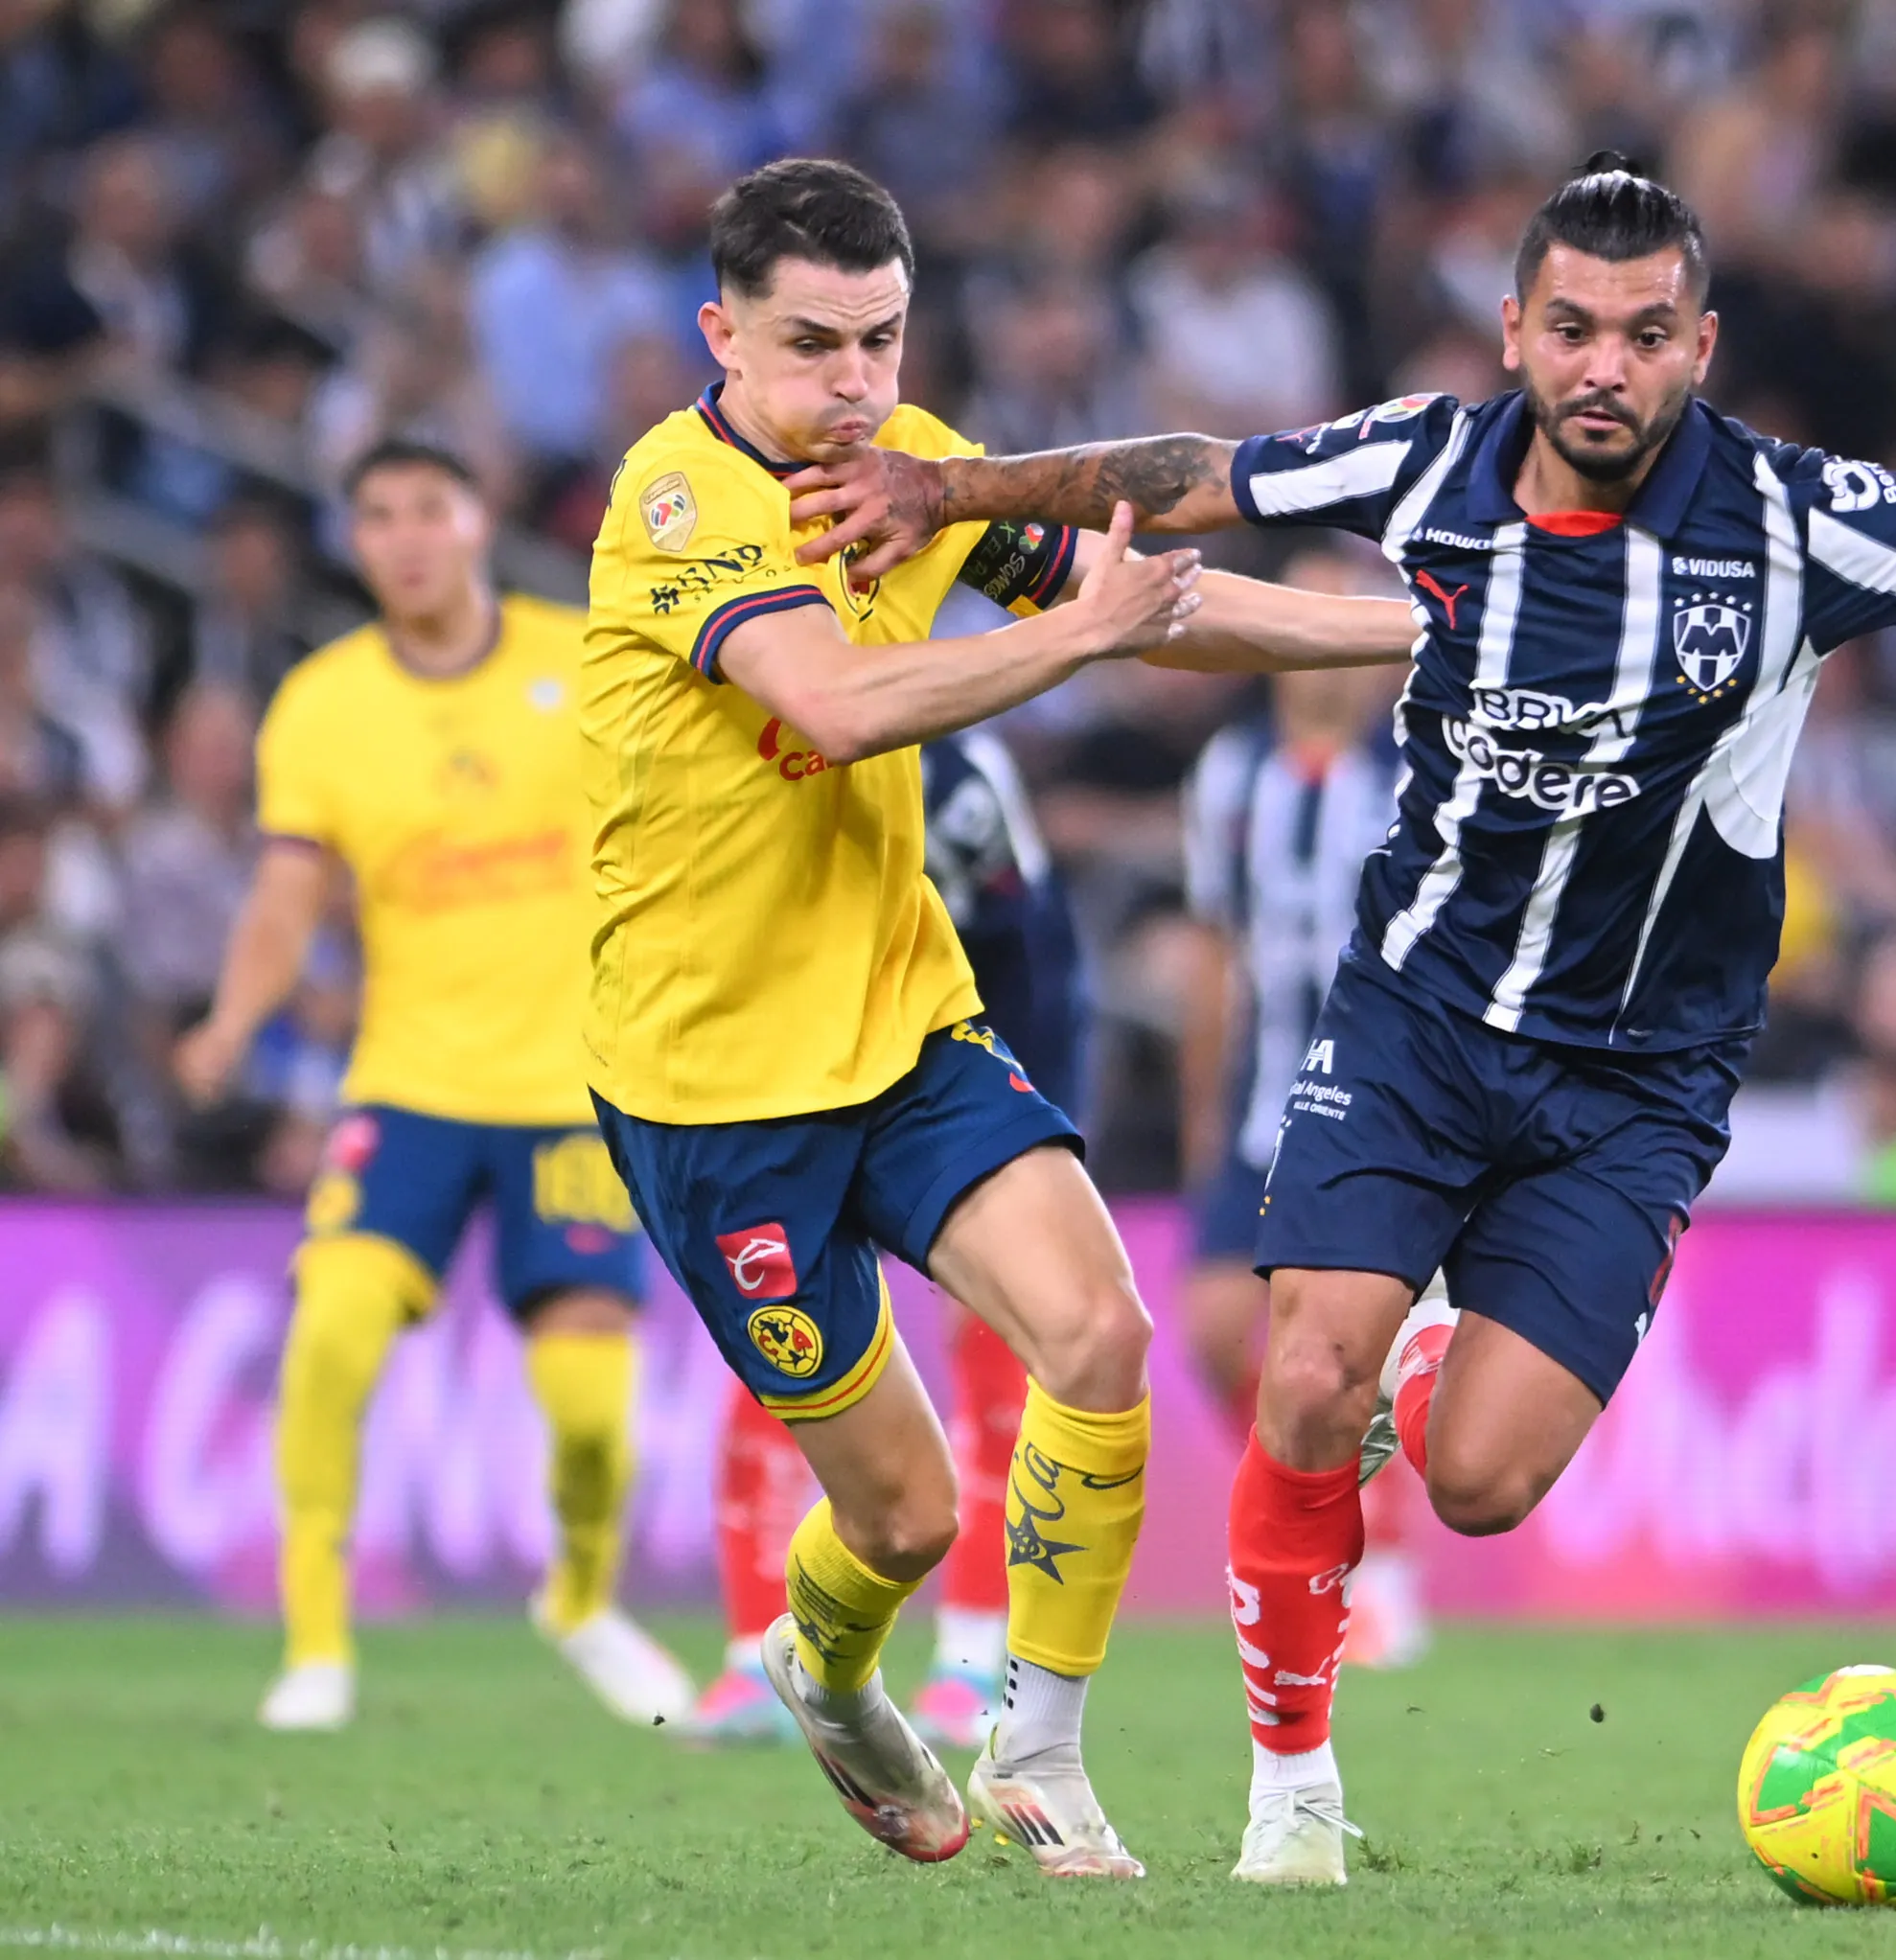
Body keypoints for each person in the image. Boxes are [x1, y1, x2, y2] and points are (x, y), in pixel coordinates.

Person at [782, 153, 1896, 1886]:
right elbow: (1190, 479)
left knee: (1475, 1484)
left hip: (1638, 1074)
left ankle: (1430, 1366)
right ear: (1514, 333)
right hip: (1416, 1010)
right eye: (1572, 329)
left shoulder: (1797, 522)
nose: (1603, 367)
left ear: (1699, 348)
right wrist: (948, 494)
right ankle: (1294, 1799)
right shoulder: (1423, 462)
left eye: (1643, 333)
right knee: (1302, 1372)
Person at [580, 158, 1411, 1874]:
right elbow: (836, 699)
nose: (858, 386)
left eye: (882, 340)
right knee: (900, 1512)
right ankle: (819, 1657)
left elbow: (1154, 607)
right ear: (718, 332)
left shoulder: (909, 462)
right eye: (812, 345)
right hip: (713, 1088)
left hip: (903, 1024)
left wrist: (1422, 631)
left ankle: (1039, 1750)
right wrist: (1085, 640)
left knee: (1097, 1338)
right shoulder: (678, 503)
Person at [173, 440, 689, 1737]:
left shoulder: (578, 660)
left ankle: (579, 1601)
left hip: (574, 1091)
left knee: (588, 1421)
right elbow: (288, 894)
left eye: (428, 511)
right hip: (406, 1086)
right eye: (378, 517)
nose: (405, 538)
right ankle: (316, 1645)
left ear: (477, 521)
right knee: (331, 1339)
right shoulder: (322, 704)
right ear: (354, 543)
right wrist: (233, 1020)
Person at [689, 724, 1089, 1749]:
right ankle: (749, 1658)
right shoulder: (725, 739)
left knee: (995, 1356)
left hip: (942, 1092)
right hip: (794, 1091)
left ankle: (970, 1654)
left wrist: (1027, 1130)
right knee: (779, 1355)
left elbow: (1033, 946)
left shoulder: (959, 770)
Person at [1174, 593, 1426, 1668]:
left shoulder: (1413, 766)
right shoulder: (1230, 775)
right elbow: (1214, 941)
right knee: (1210, 1323)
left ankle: (1380, 1565)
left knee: (1340, 1338)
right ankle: (1305, 1527)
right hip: (1259, 1089)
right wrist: (1199, 1104)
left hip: (1375, 1091)